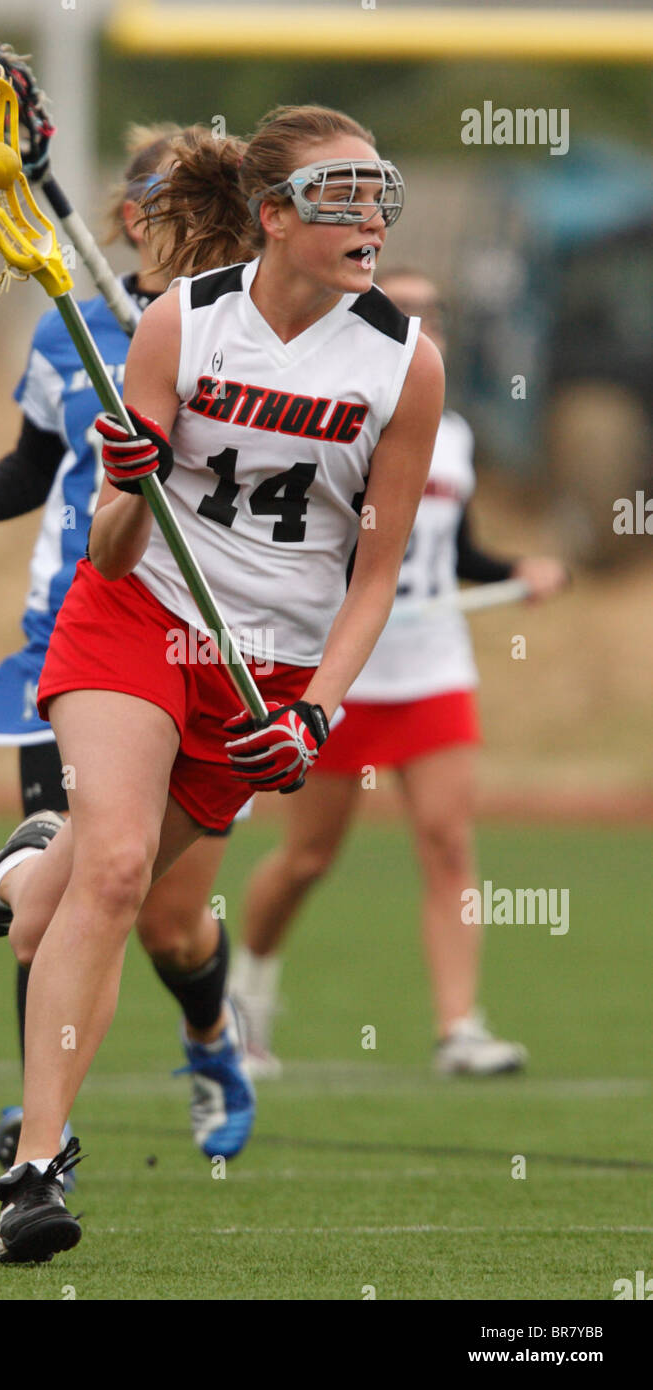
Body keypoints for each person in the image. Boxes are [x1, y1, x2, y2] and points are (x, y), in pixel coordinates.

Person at [0, 106, 445, 1265]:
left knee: (85, 889)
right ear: (271, 217)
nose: (368, 216)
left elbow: (373, 576)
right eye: (337, 196)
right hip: (137, 621)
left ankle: (11, 876)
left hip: (264, 673)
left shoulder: (402, 364)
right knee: (110, 872)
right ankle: (38, 1165)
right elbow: (110, 552)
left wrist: (315, 712)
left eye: (375, 192)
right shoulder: (180, 324)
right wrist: (126, 485)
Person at [0, 124, 238, 1180]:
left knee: (164, 916)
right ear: (128, 213)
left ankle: (210, 1044)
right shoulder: (71, 334)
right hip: (83, 631)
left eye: (186, 198)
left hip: (213, 640)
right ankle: (40, 1124)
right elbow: (33, 465)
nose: (161, 214)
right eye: (150, 195)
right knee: (88, 880)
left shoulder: (250, 333)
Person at [229, 269, 569, 1079]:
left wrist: (517, 569)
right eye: (400, 310)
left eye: (430, 312)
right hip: (339, 673)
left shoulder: (451, 431)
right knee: (309, 857)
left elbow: (454, 550)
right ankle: (245, 1003)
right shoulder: (336, 414)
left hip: (432, 667)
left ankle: (459, 1029)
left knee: (450, 844)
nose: (420, 325)